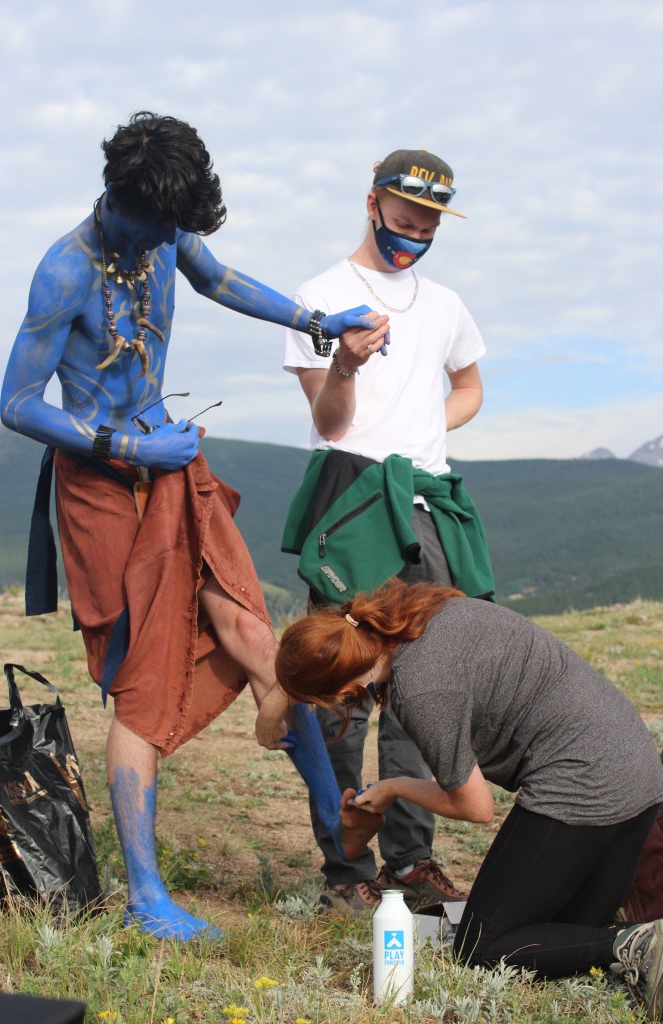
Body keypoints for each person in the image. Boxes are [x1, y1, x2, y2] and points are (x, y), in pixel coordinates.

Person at [0, 111, 380, 941]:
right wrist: (125, 445)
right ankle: (145, 897)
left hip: (174, 470)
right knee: (142, 682)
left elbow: (222, 279)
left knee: (254, 633)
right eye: (155, 226)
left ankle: (342, 837)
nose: (163, 243)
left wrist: (316, 324)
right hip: (103, 486)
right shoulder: (63, 272)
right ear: (117, 195)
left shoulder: (165, 230)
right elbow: (17, 403)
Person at [274, 579, 663, 1020]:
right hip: (639, 770)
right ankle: (640, 943)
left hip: (583, 780)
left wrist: (393, 788)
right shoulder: (423, 611)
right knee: (564, 936)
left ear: (342, 692)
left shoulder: (419, 688)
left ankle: (637, 945)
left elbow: (476, 807)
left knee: (482, 946)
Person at [281, 147, 494, 913]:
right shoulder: (319, 298)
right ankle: (345, 869)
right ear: (371, 203)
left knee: (419, 685)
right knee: (341, 687)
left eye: (430, 225)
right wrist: (344, 365)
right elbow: (329, 420)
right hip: (350, 496)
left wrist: (422, 424)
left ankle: (410, 863)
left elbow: (469, 384)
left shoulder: (444, 304)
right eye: (405, 218)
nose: (416, 234)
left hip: (422, 501)